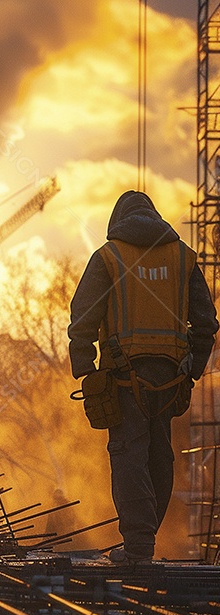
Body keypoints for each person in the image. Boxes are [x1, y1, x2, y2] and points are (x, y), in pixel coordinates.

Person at [68, 190, 218, 565]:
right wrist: (191, 372)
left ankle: (138, 547)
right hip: (169, 381)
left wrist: (86, 370)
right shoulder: (183, 257)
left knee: (128, 455)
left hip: (123, 378)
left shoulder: (109, 256)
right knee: (159, 456)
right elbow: (207, 325)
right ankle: (144, 539)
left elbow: (82, 318)